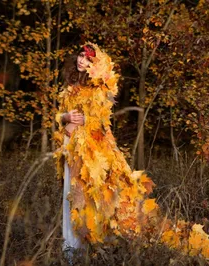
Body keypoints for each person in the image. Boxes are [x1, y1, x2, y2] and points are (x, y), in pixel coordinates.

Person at [53, 42, 158, 262]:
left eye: (89, 59)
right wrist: (65, 118)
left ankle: (88, 248)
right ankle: (70, 249)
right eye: (81, 56)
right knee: (69, 196)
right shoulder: (69, 87)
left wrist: (84, 122)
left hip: (89, 150)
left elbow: (100, 122)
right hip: (69, 146)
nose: (82, 60)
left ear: (96, 65)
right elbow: (59, 116)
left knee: (87, 197)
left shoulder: (99, 89)